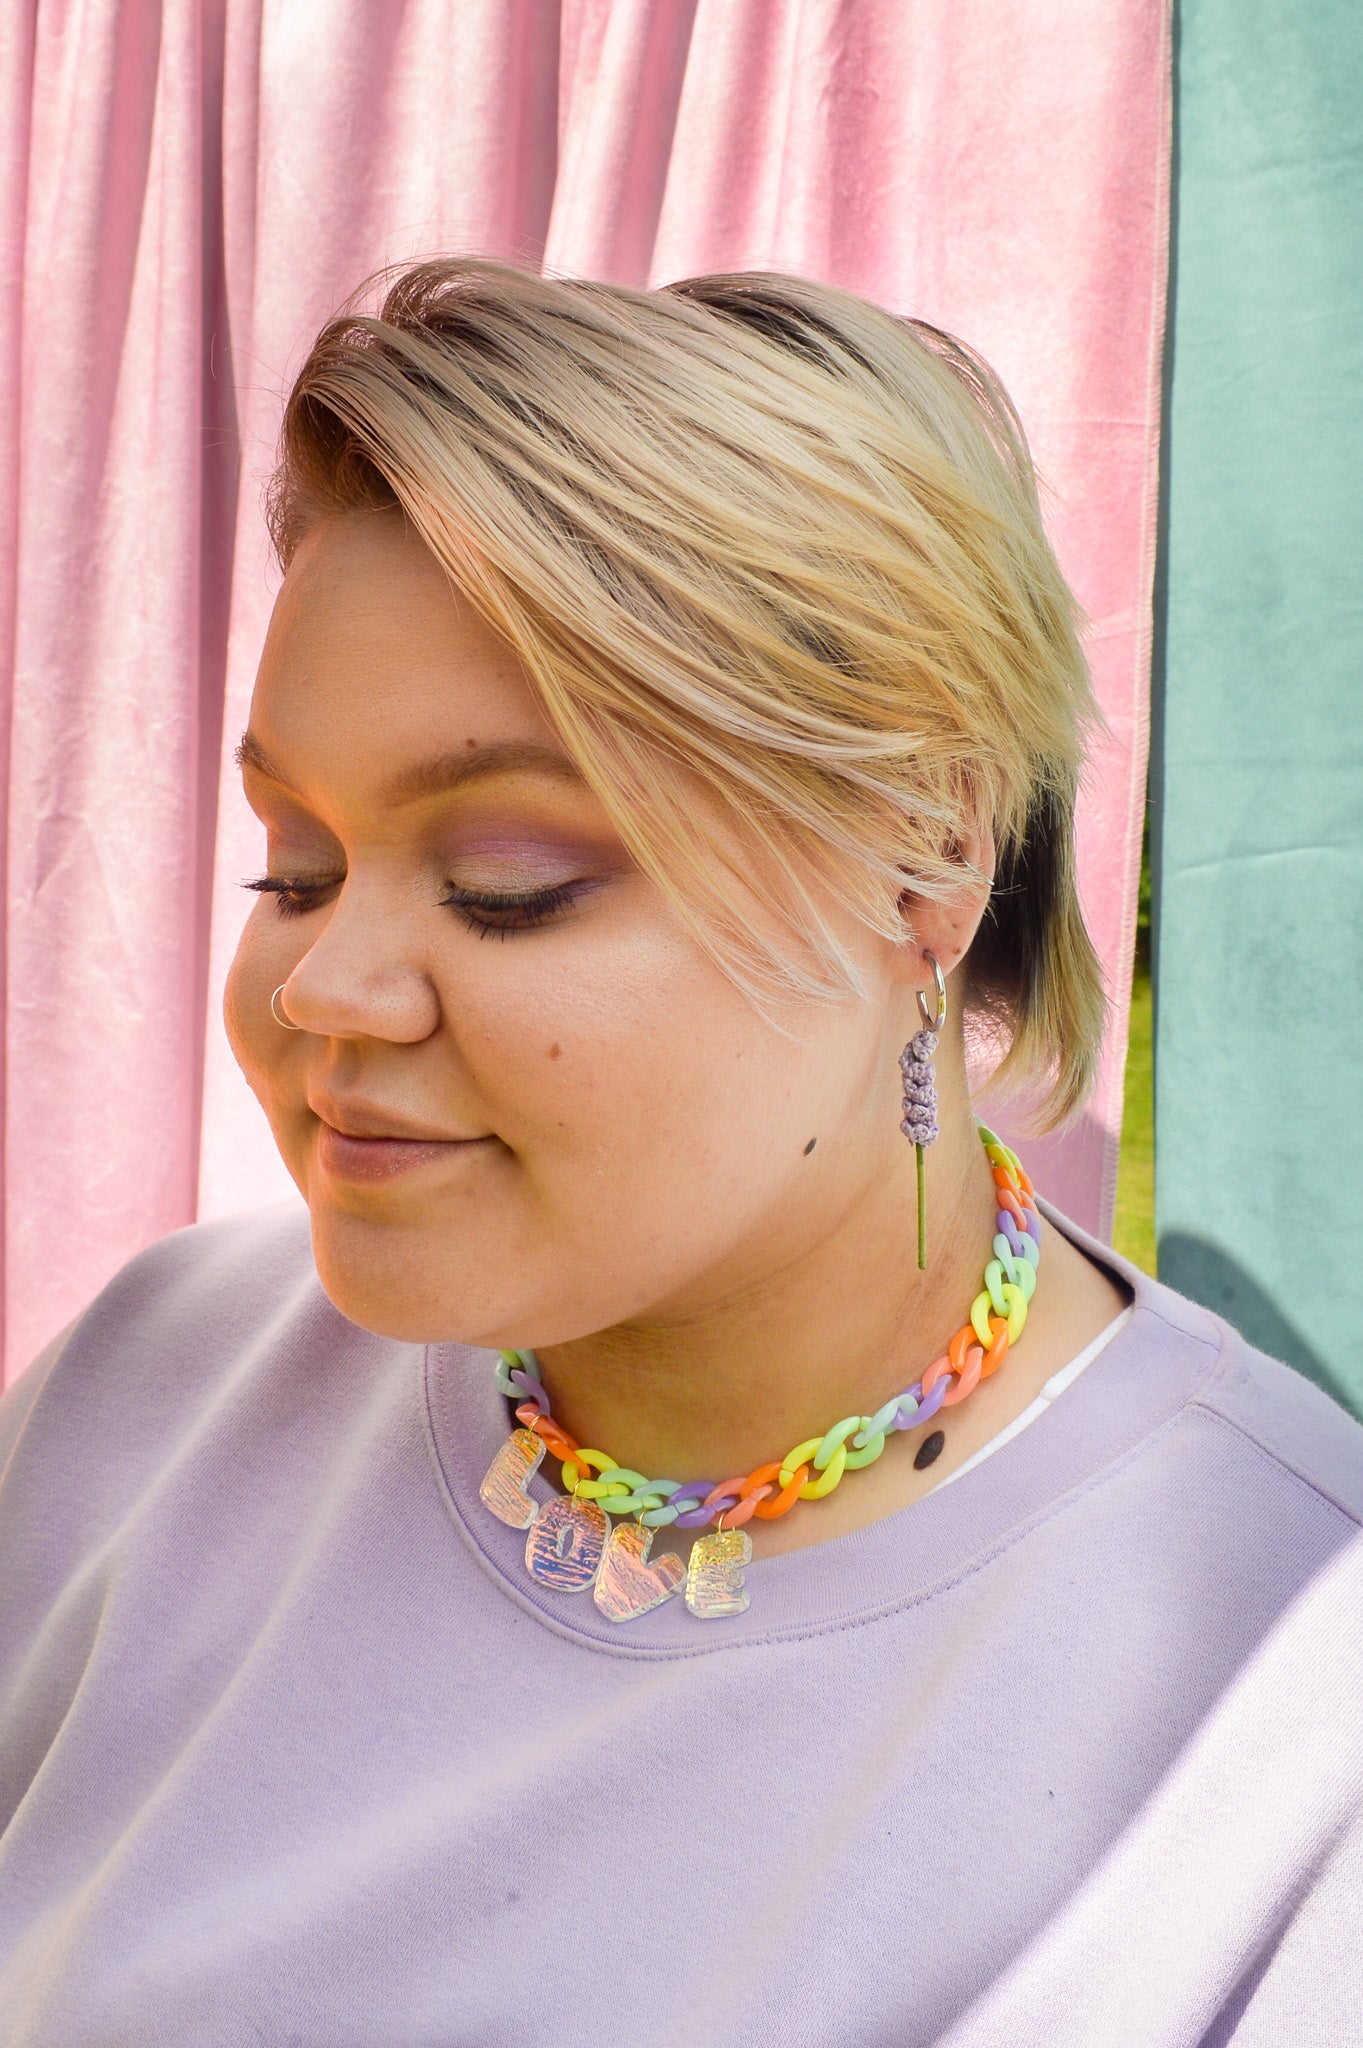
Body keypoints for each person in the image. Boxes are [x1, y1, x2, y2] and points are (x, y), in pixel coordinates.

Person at [1, 261, 1360, 2048]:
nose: (325, 984)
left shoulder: (1282, 1708)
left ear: (924, 860)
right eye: (295, 864)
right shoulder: (153, 1391)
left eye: (506, 883)